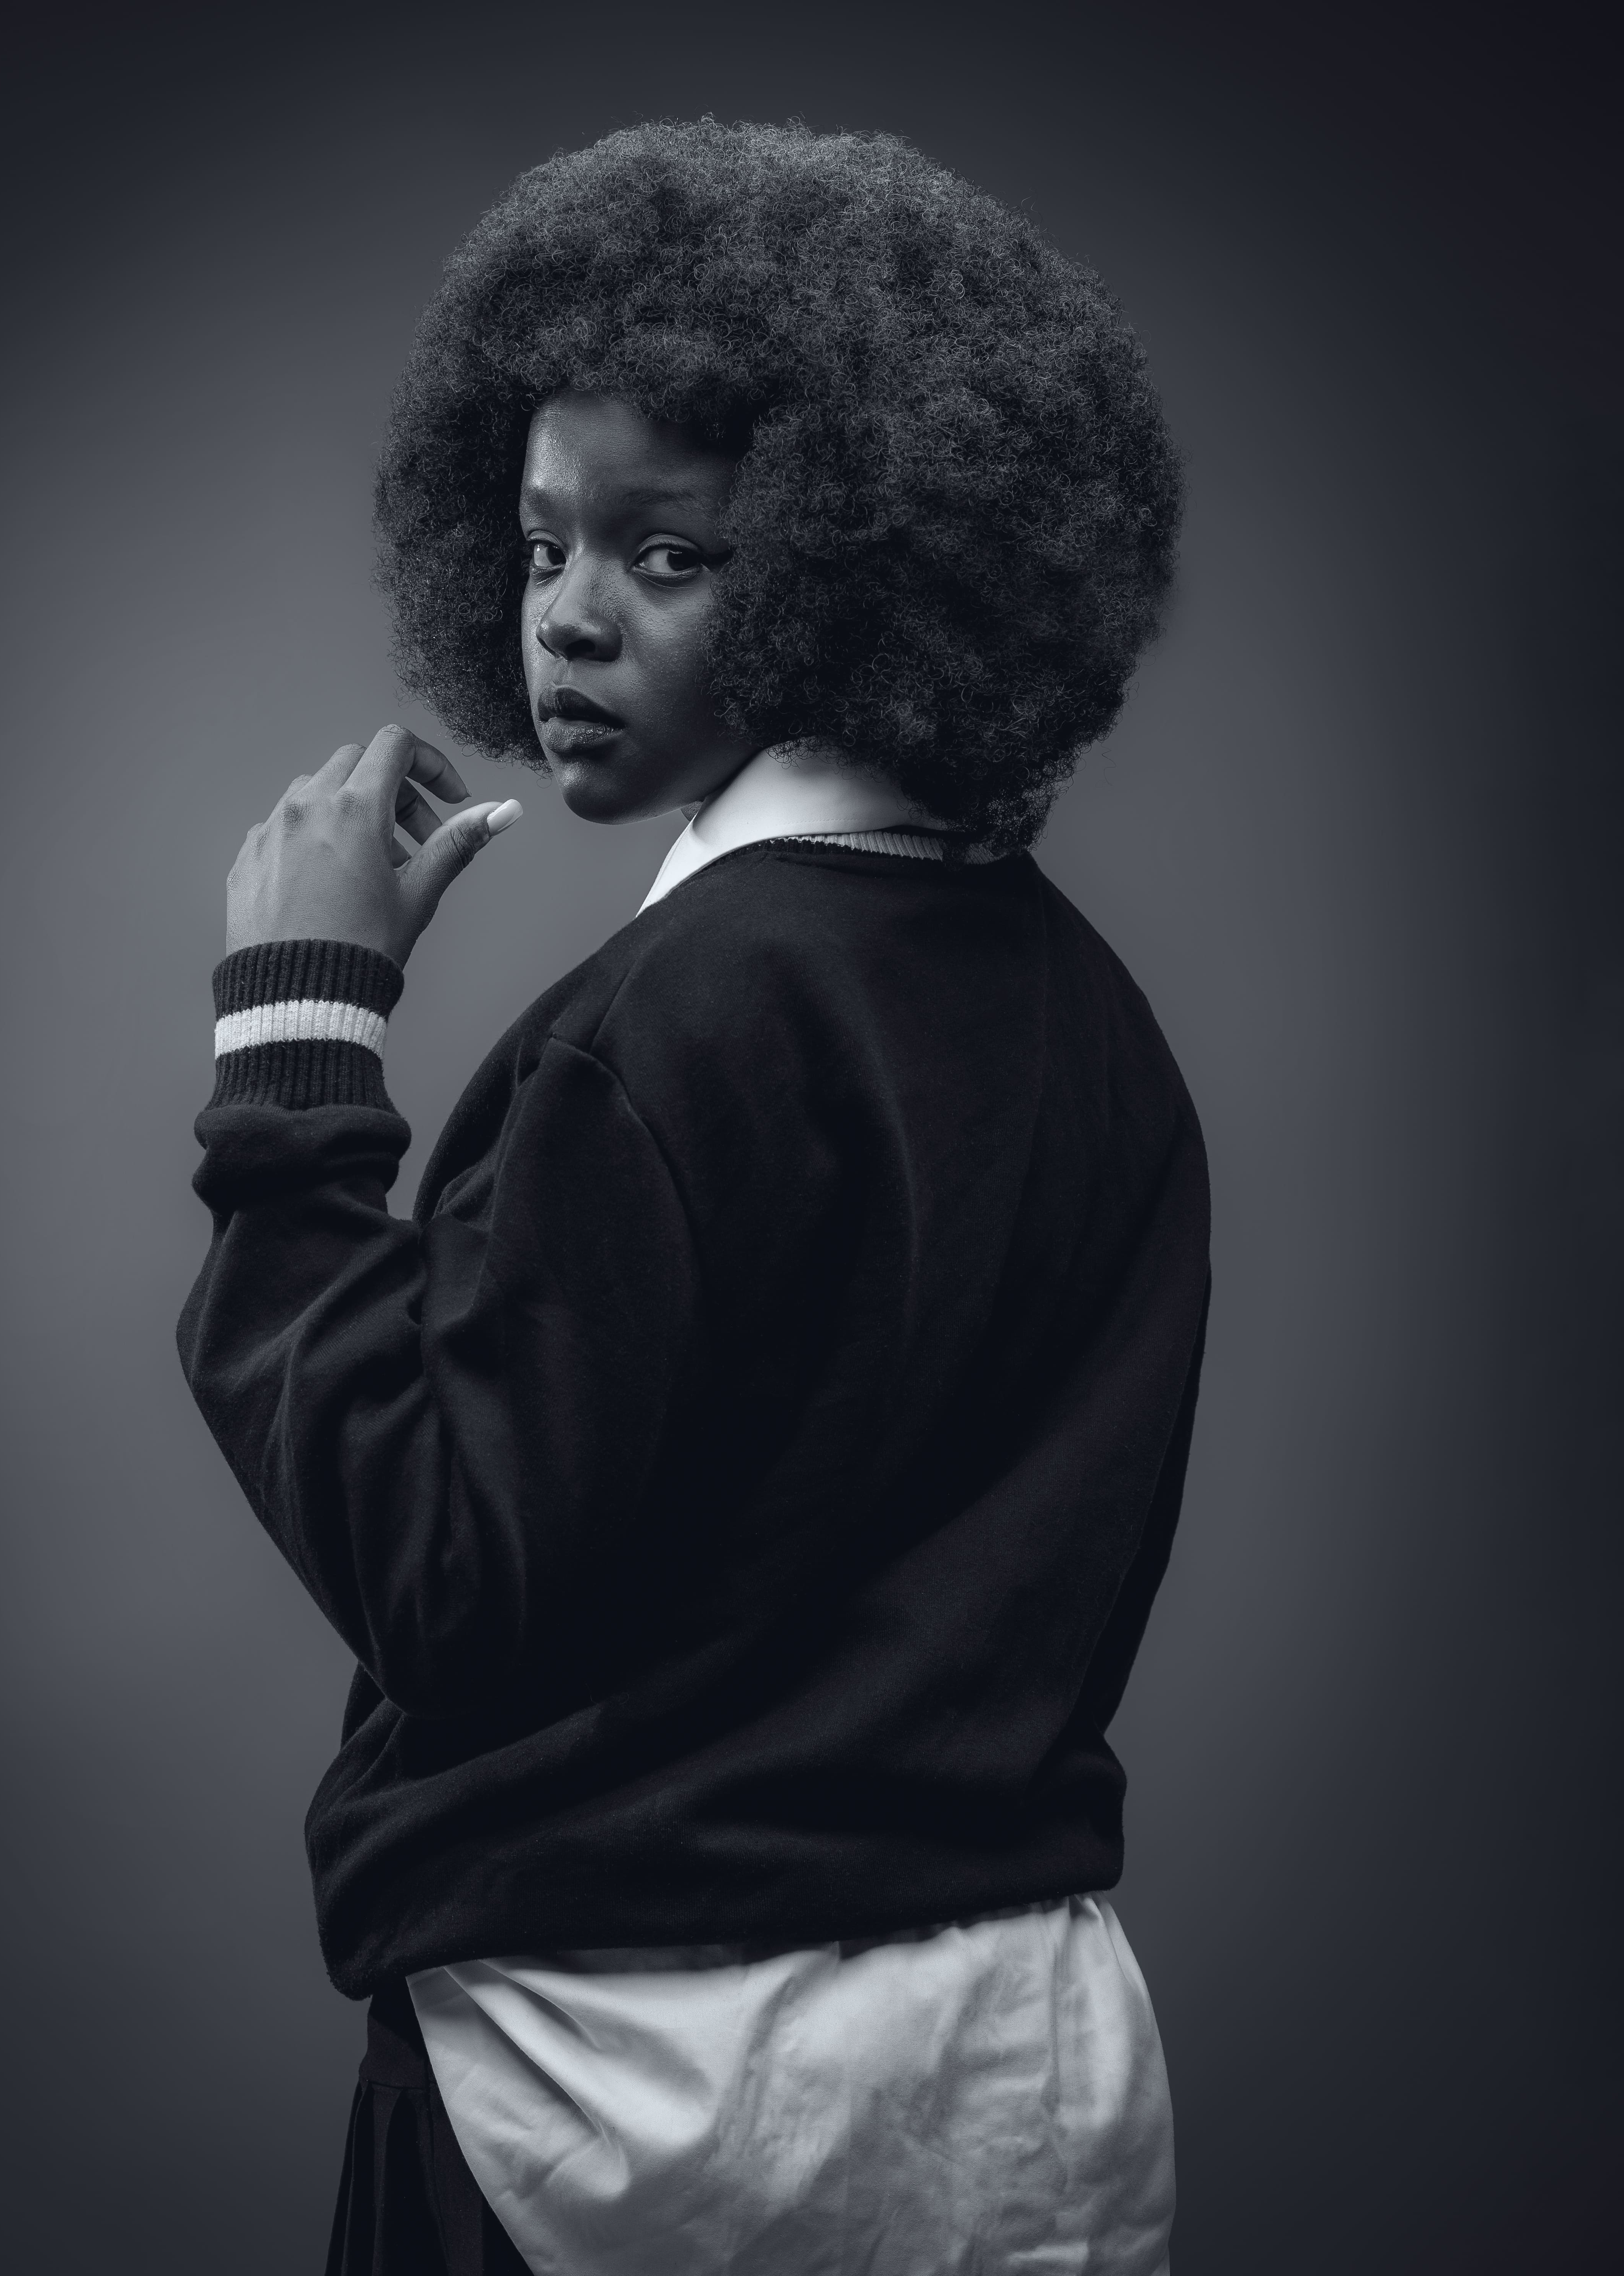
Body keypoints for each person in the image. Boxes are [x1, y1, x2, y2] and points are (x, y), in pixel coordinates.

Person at [179, 120, 1209, 2276]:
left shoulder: (683, 1018)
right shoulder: (1096, 1021)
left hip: (604, 2111)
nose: (566, 615)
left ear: (857, 571)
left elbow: (442, 1570)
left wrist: (297, 1041)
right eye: (541, 539)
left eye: (669, 556)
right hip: (1008, 2094)